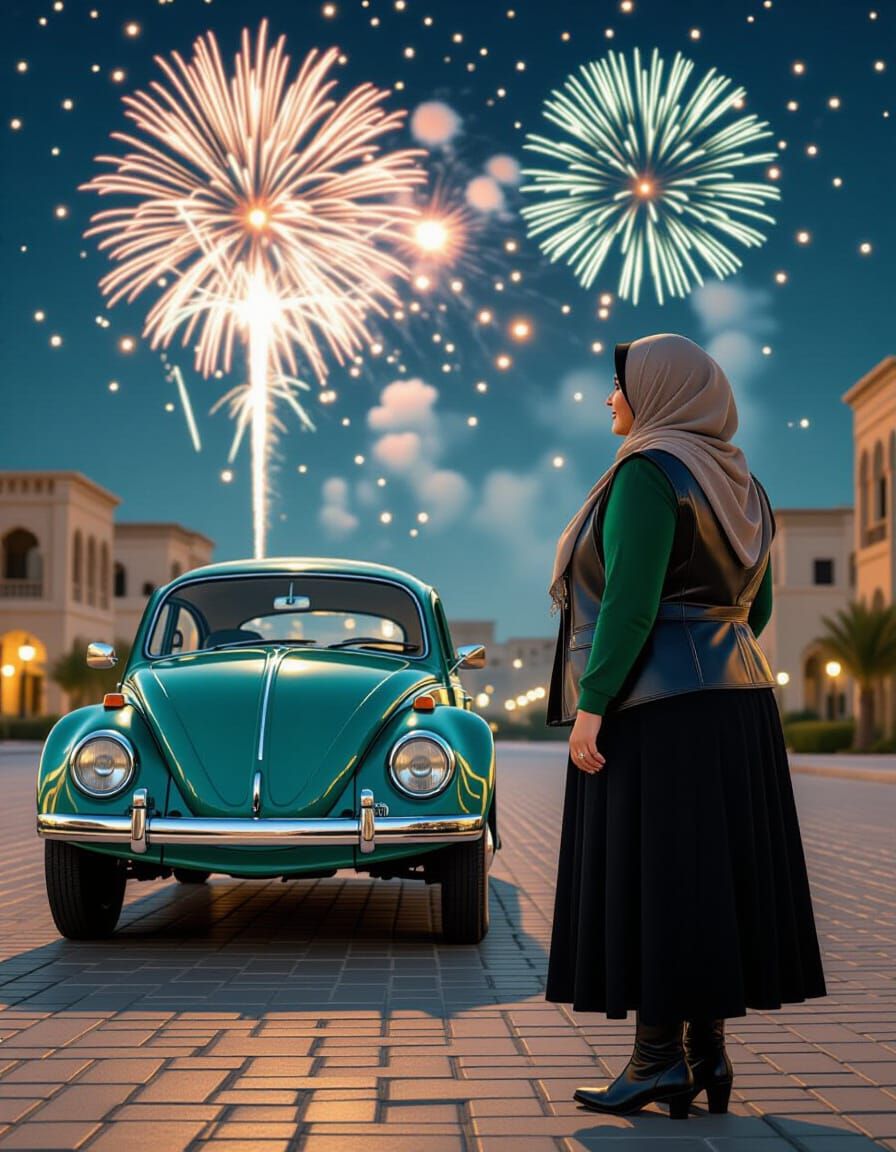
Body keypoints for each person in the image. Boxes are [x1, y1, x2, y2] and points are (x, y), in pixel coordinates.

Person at [544, 333, 827, 1120]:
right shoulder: (745, 484)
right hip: (739, 703)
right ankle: (707, 1055)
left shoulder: (646, 472)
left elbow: (630, 605)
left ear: (659, 391)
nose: (610, 398)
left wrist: (592, 704)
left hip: (656, 707)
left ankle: (658, 1060)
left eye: (619, 384)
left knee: (662, 878)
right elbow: (756, 610)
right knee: (710, 879)